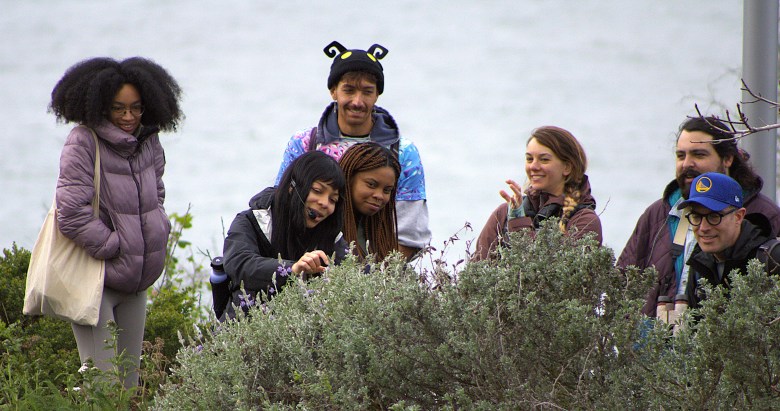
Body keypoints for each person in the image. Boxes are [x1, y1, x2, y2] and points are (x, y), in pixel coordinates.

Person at [49, 57, 183, 388]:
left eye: (136, 108)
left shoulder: (149, 140)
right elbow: (71, 212)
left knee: (129, 388)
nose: (128, 117)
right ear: (99, 106)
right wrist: (115, 245)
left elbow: (158, 194)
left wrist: (157, 227)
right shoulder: (83, 141)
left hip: (136, 283)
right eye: (118, 108)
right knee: (104, 389)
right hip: (96, 282)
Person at [274, 41, 430, 261]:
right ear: (333, 91)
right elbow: (279, 207)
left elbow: (410, 235)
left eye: (367, 92)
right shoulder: (304, 144)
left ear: (377, 95)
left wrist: (373, 280)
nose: (357, 101)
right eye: (349, 90)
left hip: (377, 277)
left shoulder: (403, 153)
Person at [617, 116, 780, 317]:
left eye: (699, 154)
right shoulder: (657, 214)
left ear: (728, 158)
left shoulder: (765, 214)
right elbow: (622, 283)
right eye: (680, 155)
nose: (687, 164)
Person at [222, 151, 348, 320]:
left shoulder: (332, 236)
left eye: (333, 199)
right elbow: (240, 264)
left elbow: (353, 276)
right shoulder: (250, 220)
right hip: (246, 333)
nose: (325, 203)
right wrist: (292, 269)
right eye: (317, 190)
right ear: (292, 186)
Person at [474, 126, 602, 260]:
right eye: (529, 159)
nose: (533, 166)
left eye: (544, 159)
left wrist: (518, 221)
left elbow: (547, 273)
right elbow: (477, 271)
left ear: (567, 167)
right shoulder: (503, 214)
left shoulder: (584, 221)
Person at [676, 172, 780, 310]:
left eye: (714, 216)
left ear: (738, 216)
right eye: (696, 217)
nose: (703, 227)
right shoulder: (699, 263)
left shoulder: (772, 258)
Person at [339, 142, 401, 262]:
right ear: (349, 178)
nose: (379, 196)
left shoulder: (380, 238)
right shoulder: (323, 227)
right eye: (371, 184)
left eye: (387, 190)